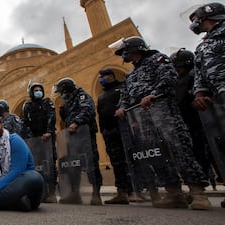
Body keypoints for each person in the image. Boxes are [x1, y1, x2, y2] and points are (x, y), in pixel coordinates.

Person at [113, 36, 211, 210]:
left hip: (164, 113)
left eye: (125, 51)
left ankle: (198, 193)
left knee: (180, 151)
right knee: (158, 156)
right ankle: (174, 193)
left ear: (135, 49)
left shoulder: (157, 60)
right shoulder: (131, 74)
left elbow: (170, 77)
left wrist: (154, 93)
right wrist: (122, 107)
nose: (123, 56)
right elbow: (125, 96)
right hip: (142, 119)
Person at [188, 2, 225, 207]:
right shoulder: (203, 46)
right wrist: (200, 92)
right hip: (217, 100)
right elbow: (200, 74)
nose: (193, 23)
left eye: (195, 19)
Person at [170, 48, 218, 191]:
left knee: (211, 152)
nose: (177, 69)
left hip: (201, 120)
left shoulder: (194, 77)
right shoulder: (180, 80)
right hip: (188, 121)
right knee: (197, 152)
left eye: (178, 66)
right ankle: (199, 185)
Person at [53, 78, 103, 205]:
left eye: (62, 91)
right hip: (73, 137)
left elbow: (88, 110)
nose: (61, 94)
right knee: (74, 164)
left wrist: (76, 122)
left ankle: (96, 193)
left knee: (91, 163)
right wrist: (62, 110)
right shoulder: (69, 101)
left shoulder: (81, 96)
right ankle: (75, 194)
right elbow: (66, 119)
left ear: (66, 89)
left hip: (84, 135)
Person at [96, 68, 133, 204]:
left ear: (110, 76)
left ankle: (135, 190)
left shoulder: (122, 87)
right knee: (117, 162)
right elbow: (100, 113)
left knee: (130, 159)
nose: (101, 79)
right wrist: (103, 130)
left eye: (103, 76)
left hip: (124, 128)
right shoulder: (103, 95)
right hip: (109, 132)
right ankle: (122, 192)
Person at [22, 82, 57, 203]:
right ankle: (43, 192)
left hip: (46, 138)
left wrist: (49, 132)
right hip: (35, 140)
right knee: (38, 166)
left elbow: (52, 117)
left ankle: (52, 192)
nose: (38, 92)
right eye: (35, 90)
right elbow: (25, 123)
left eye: (39, 90)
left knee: (50, 164)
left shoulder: (47, 102)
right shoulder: (28, 106)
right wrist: (30, 138)